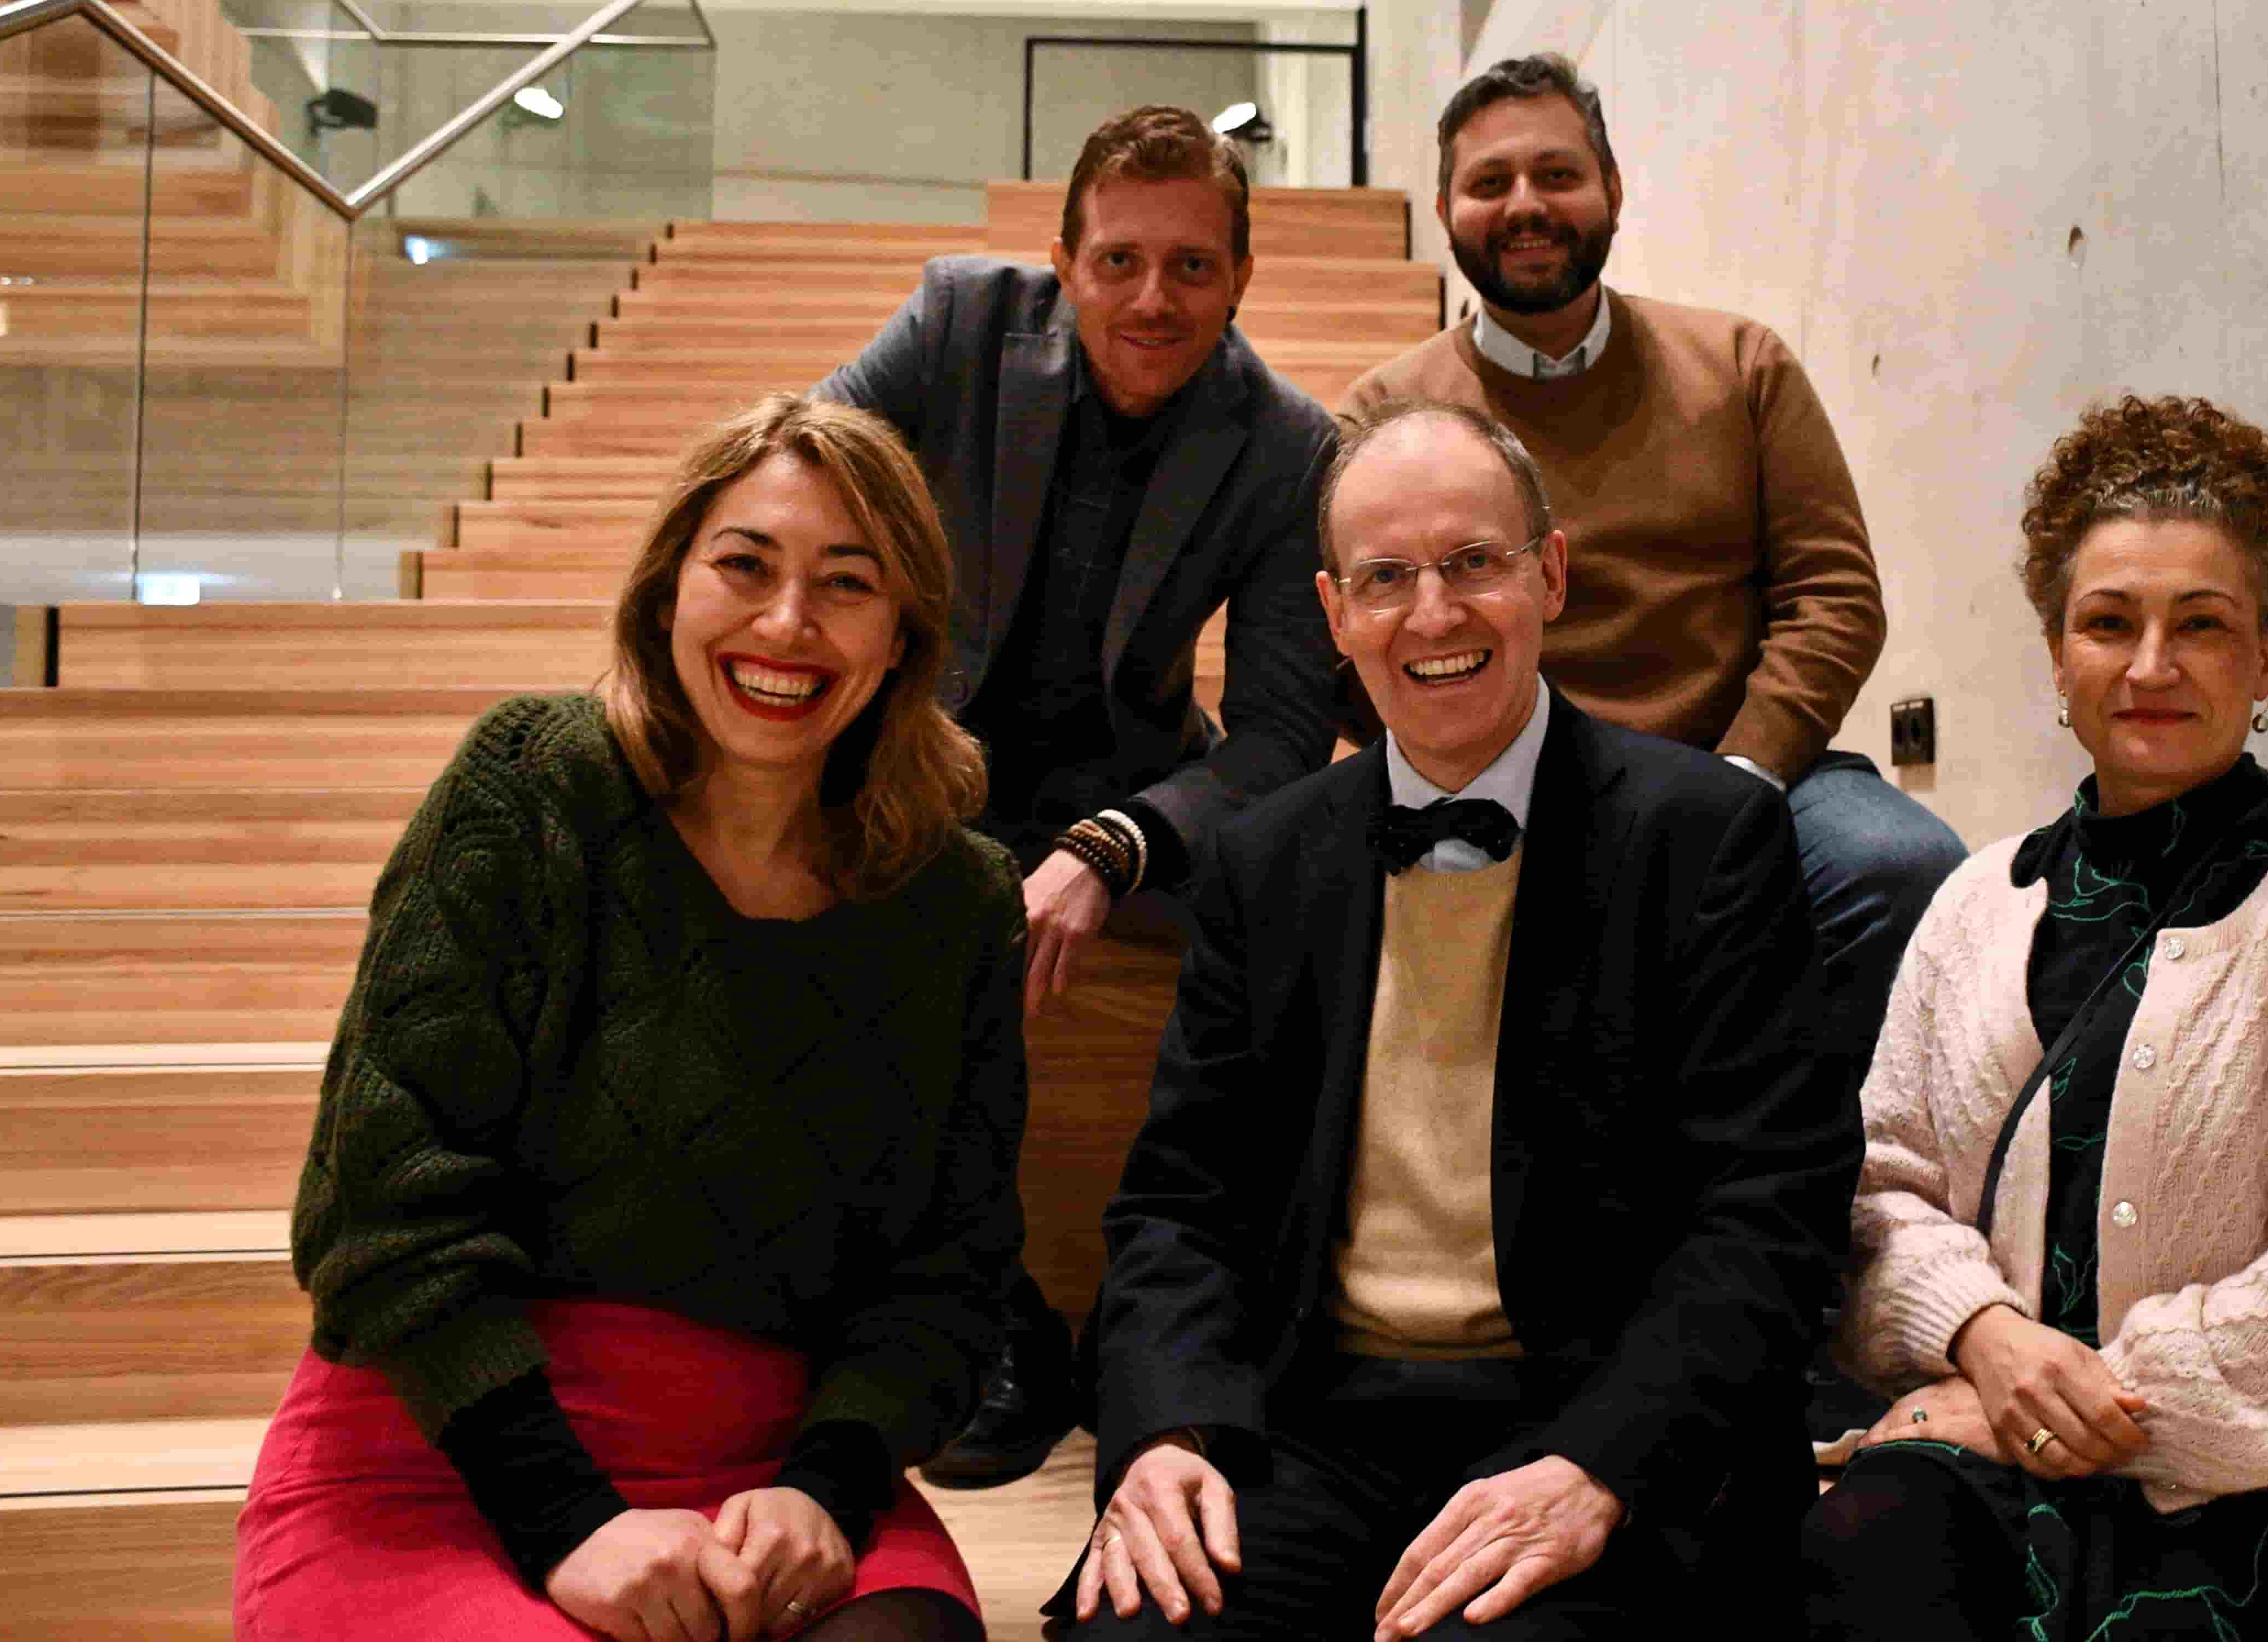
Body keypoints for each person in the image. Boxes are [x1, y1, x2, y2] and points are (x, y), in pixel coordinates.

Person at [1049, 398, 1861, 1641]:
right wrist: (1165, 1429)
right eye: (1386, 579)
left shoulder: (1704, 838)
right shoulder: (1265, 861)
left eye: (1473, 562)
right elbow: (1180, 1199)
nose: (1432, 615)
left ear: (1551, 572)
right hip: (1315, 1422)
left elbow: (1770, 1210)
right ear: (1333, 616)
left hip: (1590, 1421)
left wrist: (1598, 1464)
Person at [236, 394, 1029, 1642]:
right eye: (745, 565)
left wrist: (828, 1484)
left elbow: (951, 1271)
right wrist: (567, 1520)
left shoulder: (961, 901)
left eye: (847, 583)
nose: (786, 623)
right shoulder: (528, 789)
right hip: (446, 1451)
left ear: (901, 637)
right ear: (669, 589)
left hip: (775, 1469)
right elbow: (377, 1208)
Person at [1803, 394, 2268, 1642]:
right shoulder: (1972, 905)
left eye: (2204, 624)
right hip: (2000, 1476)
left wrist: (2058, 1397)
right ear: (2058, 652)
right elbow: (1877, 1194)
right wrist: (1984, 1331)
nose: (2151, 665)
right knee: (1849, 1556)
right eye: (2109, 622)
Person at [816, 104, 1341, 1483]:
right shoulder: (959, 321)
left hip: (1125, 788)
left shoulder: (1288, 439)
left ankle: (1172, 1316)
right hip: (912, 749)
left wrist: (1116, 842)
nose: (1152, 299)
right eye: (1118, 261)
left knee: (1298, 915)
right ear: (1061, 261)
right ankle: (1000, 1319)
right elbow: (802, 478)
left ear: (1240, 275)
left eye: (1192, 266)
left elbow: (1288, 729)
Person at [1338, 55, 1964, 1068]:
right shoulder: (1387, 414)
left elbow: (1835, 597)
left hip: (1749, 768)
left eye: (1557, 174)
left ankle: (1829, 1194)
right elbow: (1353, 638)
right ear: (1449, 212)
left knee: (1902, 867)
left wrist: (1740, 782)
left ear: (1613, 190)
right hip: (1510, 780)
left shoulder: (1741, 365)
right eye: (1490, 183)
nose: (1527, 205)